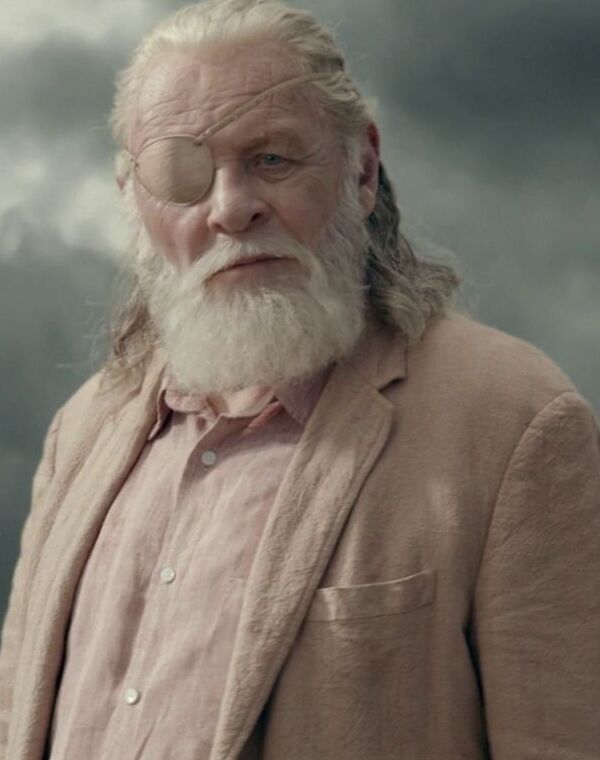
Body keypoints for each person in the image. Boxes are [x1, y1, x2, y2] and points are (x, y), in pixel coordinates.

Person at [1, 0, 599, 757]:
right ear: (132, 201)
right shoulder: (80, 432)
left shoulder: (514, 422)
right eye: (182, 174)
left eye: (274, 159)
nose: (231, 208)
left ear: (363, 169)